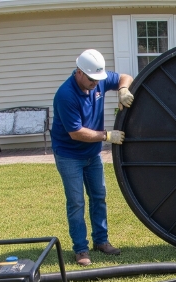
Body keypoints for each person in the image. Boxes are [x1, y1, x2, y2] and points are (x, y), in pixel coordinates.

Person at [51, 49, 134, 263]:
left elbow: (125, 77)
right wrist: (107, 135)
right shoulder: (65, 95)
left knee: (99, 197)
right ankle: (81, 249)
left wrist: (123, 89)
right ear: (79, 72)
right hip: (69, 155)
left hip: (92, 155)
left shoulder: (97, 81)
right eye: (91, 79)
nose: (95, 83)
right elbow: (76, 132)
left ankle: (101, 240)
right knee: (77, 202)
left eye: (98, 79)